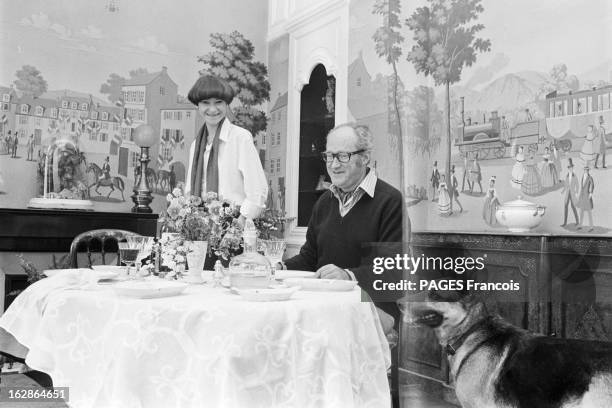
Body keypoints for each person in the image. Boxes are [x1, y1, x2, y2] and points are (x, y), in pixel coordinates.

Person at [283, 123, 403, 323]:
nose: (334, 165)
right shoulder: (324, 202)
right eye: (330, 156)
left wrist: (348, 276)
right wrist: (276, 267)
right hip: (326, 303)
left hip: (372, 308)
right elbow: (309, 259)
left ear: (365, 158)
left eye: (343, 156)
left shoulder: (390, 201)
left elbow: (394, 270)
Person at [185, 74, 267, 222]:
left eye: (218, 102)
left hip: (234, 223)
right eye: (205, 102)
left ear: (226, 104)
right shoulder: (196, 145)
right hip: (201, 225)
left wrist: (241, 221)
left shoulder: (240, 138)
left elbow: (258, 190)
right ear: (198, 105)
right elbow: (189, 192)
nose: (212, 109)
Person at [561, 158, 579, 227]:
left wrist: (577, 192)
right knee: (565, 206)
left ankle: (577, 221)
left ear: (573, 168)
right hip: (567, 193)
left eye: (571, 167)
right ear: (568, 168)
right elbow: (566, 184)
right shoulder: (567, 175)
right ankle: (565, 222)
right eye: (569, 168)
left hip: (572, 193)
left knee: (573, 206)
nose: (570, 169)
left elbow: (577, 185)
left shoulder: (574, 176)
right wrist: (563, 191)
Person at [577, 165, 594, 231]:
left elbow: (592, 185)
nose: (585, 171)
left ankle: (591, 227)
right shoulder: (582, 176)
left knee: (589, 211)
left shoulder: (590, 177)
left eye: (587, 170)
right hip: (582, 196)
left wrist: (591, 193)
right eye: (585, 170)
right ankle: (580, 225)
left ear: (588, 171)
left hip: (587, 196)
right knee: (581, 211)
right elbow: (582, 186)